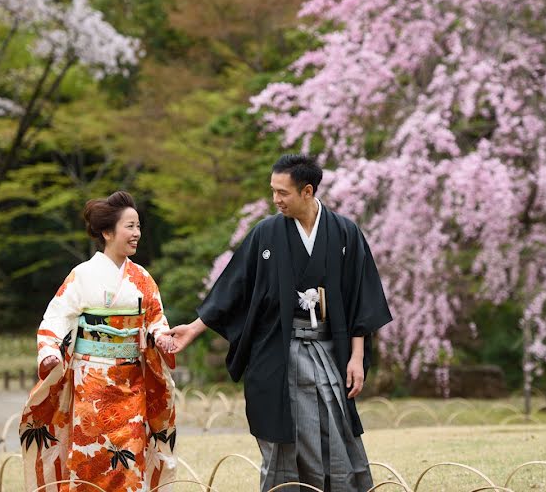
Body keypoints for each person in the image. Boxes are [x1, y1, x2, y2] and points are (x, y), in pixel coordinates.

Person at [164, 154, 392, 492]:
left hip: (331, 352)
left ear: (307, 191)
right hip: (277, 353)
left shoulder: (345, 233)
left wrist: (356, 357)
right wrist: (195, 328)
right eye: (273, 191)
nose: (276, 200)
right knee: (281, 437)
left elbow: (361, 297)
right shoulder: (266, 233)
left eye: (282, 192)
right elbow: (233, 286)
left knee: (336, 432)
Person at [20, 191, 178, 492]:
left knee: (130, 458)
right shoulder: (82, 275)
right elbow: (56, 317)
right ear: (108, 232)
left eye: (138, 226)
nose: (137, 234)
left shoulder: (142, 277)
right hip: (91, 383)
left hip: (132, 383)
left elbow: (156, 319)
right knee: (89, 456)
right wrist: (50, 351)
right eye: (129, 226)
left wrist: (161, 338)